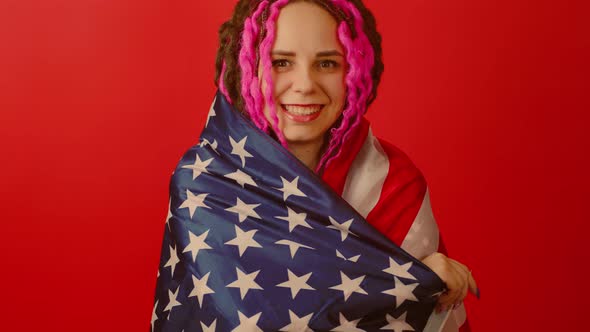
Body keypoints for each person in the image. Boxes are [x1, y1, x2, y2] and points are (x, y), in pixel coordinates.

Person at [152, 1, 478, 331]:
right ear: (245, 67)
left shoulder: (394, 182)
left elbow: (406, 313)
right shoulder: (204, 183)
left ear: (356, 70)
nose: (305, 84)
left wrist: (424, 281)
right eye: (281, 62)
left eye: (326, 63)